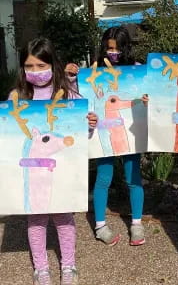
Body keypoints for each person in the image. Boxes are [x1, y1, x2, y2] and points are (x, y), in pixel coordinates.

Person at [9, 37, 97, 285]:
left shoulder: (69, 94)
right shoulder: (17, 97)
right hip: (33, 174)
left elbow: (79, 137)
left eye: (40, 65)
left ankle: (68, 266)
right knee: (35, 219)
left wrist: (89, 125)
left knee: (64, 218)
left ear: (52, 64)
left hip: (63, 173)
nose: (35, 72)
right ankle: (41, 269)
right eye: (29, 66)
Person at [91, 26, 148, 246]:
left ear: (124, 48)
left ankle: (136, 223)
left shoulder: (136, 70)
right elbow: (86, 96)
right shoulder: (95, 71)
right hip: (104, 133)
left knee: (134, 178)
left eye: (115, 49)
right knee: (103, 177)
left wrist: (146, 99)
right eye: (107, 48)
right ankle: (99, 225)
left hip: (129, 134)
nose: (111, 53)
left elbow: (149, 94)